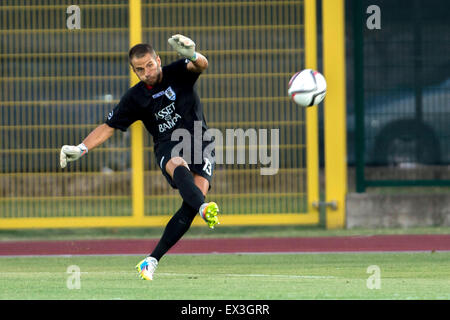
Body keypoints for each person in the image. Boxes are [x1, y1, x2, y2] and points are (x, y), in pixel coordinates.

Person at [59, 34, 220, 280]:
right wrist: (81, 148)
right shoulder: (135, 97)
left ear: (158, 59)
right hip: (168, 146)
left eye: (150, 65)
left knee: (190, 205)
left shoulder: (177, 71)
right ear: (134, 71)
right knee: (178, 166)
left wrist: (192, 54)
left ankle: (151, 260)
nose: (147, 72)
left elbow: (202, 65)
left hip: (201, 141)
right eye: (140, 69)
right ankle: (203, 207)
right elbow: (108, 126)